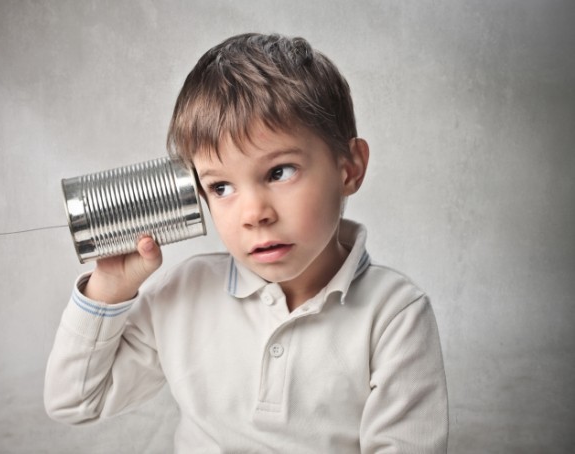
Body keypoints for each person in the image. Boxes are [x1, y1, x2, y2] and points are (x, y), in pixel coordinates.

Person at [45, 33, 448, 453]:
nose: (254, 213)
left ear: (349, 168)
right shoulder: (185, 292)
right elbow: (75, 402)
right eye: (221, 187)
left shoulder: (395, 314)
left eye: (279, 172)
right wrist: (108, 290)